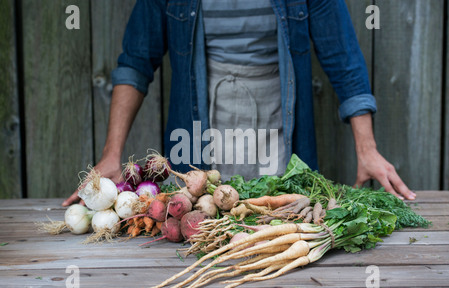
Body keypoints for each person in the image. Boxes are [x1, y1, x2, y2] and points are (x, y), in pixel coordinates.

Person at [63, 0, 416, 207]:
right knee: (196, 234)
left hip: (281, 139)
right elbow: (135, 63)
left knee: (279, 234)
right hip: (197, 145)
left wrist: (367, 148)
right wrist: (112, 154)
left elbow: (344, 59)